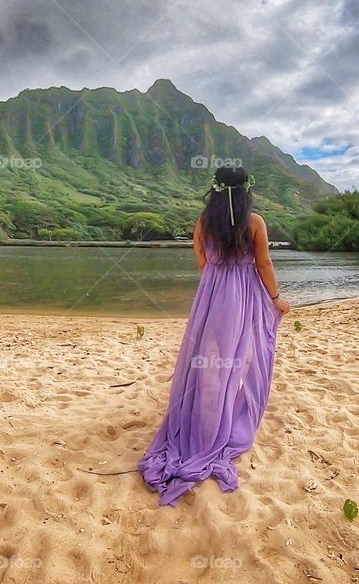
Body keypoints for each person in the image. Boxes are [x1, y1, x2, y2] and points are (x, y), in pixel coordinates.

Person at [138, 166, 290, 506]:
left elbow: (201, 256)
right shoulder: (255, 223)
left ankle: (199, 419)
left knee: (206, 360)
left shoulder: (205, 220)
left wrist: (214, 280)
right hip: (240, 294)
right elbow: (263, 263)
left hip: (211, 292)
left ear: (217, 191)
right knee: (232, 361)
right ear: (246, 191)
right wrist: (276, 298)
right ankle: (213, 430)